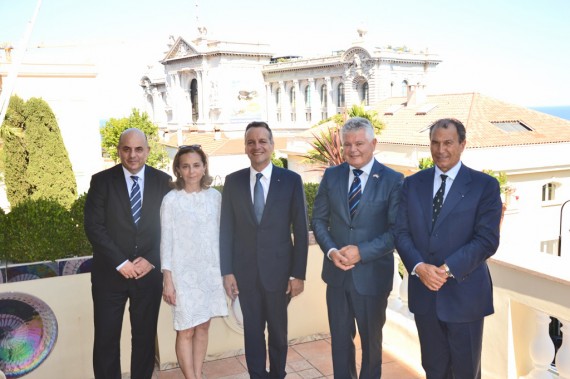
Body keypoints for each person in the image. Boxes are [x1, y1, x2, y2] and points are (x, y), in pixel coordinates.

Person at [394, 118, 503, 379]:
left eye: (448, 143)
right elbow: (400, 232)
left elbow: (487, 239)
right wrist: (419, 267)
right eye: (435, 143)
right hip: (425, 297)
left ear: (462, 144)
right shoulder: (412, 184)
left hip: (465, 298)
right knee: (434, 370)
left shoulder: (484, 186)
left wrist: (445, 269)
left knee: (466, 373)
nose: (441, 149)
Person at [312, 117, 403, 379]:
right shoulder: (331, 176)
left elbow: (396, 232)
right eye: (347, 144)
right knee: (340, 343)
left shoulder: (393, 180)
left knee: (372, 345)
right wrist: (331, 251)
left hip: (372, 277)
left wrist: (361, 252)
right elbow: (318, 220)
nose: (353, 150)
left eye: (360, 143)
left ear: (373, 143)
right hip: (337, 276)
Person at [220, 121, 309, 379]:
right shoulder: (233, 181)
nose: (256, 146)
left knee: (279, 334)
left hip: (280, 275)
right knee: (253, 332)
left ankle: (278, 374)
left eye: (262, 141)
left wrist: (298, 274)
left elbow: (301, 231)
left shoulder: (291, 180)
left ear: (272, 145)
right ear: (245, 147)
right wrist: (227, 272)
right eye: (251, 142)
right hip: (245, 273)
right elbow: (226, 230)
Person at [84, 128, 172, 379]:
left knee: (144, 339)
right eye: (127, 149)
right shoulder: (101, 181)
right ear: (119, 150)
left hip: (148, 275)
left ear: (147, 151)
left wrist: (153, 259)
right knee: (105, 339)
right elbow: (94, 226)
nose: (132, 155)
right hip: (109, 276)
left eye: (138, 149)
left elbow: (171, 229)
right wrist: (121, 262)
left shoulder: (164, 182)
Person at [160, 145, 228, 379]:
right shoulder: (171, 200)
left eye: (196, 165)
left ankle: (198, 374)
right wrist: (167, 279)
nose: (191, 171)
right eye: (186, 166)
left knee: (203, 326)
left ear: (204, 167)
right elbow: (166, 241)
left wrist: (226, 272)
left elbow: (223, 236)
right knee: (185, 329)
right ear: (178, 169)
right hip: (183, 275)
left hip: (210, 272)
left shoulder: (215, 197)